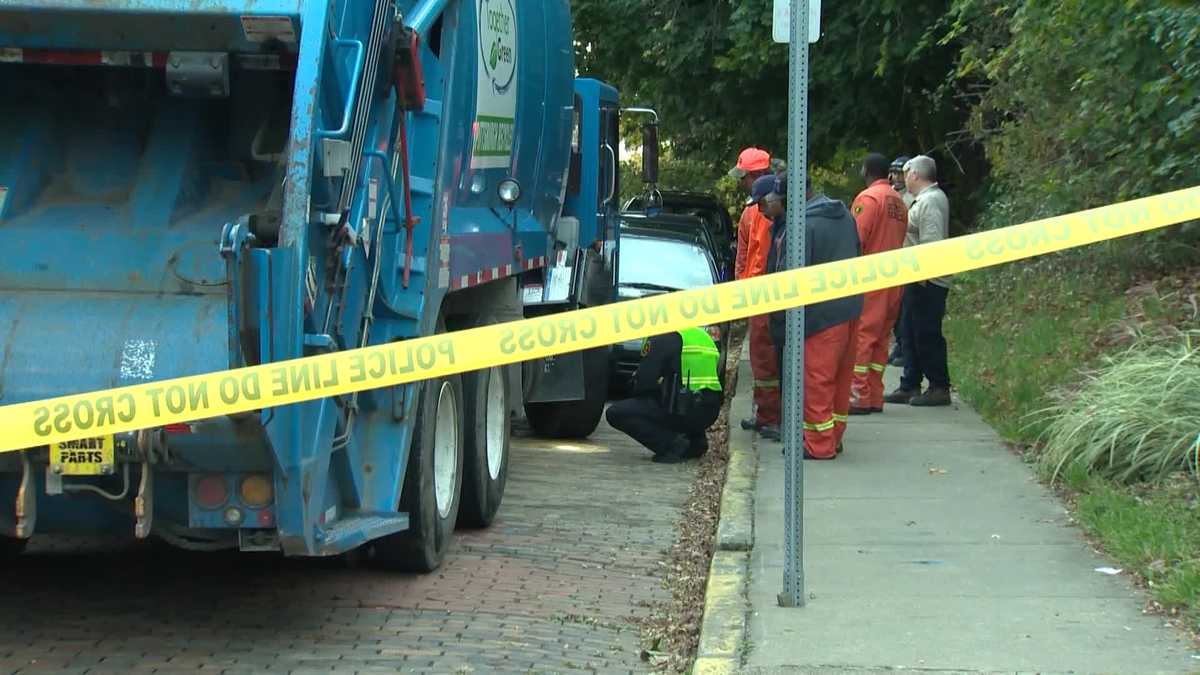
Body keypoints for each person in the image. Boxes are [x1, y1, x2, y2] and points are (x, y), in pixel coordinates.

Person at [762, 174, 863, 460]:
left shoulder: (800, 227)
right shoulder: (843, 216)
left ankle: (818, 444)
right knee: (841, 379)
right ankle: (833, 437)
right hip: (850, 308)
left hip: (819, 316)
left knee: (817, 380)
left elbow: (788, 278)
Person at [885, 155, 952, 407]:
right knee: (908, 332)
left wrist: (923, 277)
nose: (902, 178)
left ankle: (939, 386)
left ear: (915, 174)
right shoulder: (920, 201)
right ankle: (910, 383)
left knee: (927, 333)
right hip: (914, 278)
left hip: (928, 280)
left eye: (905, 173)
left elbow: (931, 244)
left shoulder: (932, 201)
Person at [606, 327, 724, 464]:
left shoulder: (665, 334)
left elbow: (644, 382)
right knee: (679, 395)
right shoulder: (701, 334)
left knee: (616, 413)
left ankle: (671, 445)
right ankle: (696, 442)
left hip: (681, 409)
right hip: (709, 411)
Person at [848, 153, 909, 415]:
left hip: (869, 278)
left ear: (866, 170)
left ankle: (858, 395)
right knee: (881, 338)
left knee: (863, 336)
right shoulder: (899, 201)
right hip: (893, 279)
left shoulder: (868, 199)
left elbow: (856, 239)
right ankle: (874, 394)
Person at [728, 148, 781, 440]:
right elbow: (745, 255)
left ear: (758, 175)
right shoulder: (754, 211)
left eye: (744, 177)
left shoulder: (766, 209)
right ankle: (767, 414)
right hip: (760, 296)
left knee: (769, 359)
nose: (741, 183)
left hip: (766, 295)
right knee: (763, 359)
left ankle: (771, 415)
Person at [887, 155, 912, 367]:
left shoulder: (912, 198)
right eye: (893, 173)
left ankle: (904, 346)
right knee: (895, 308)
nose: (894, 177)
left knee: (905, 307)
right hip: (893, 256)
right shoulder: (891, 196)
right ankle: (900, 343)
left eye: (899, 173)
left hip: (907, 256)